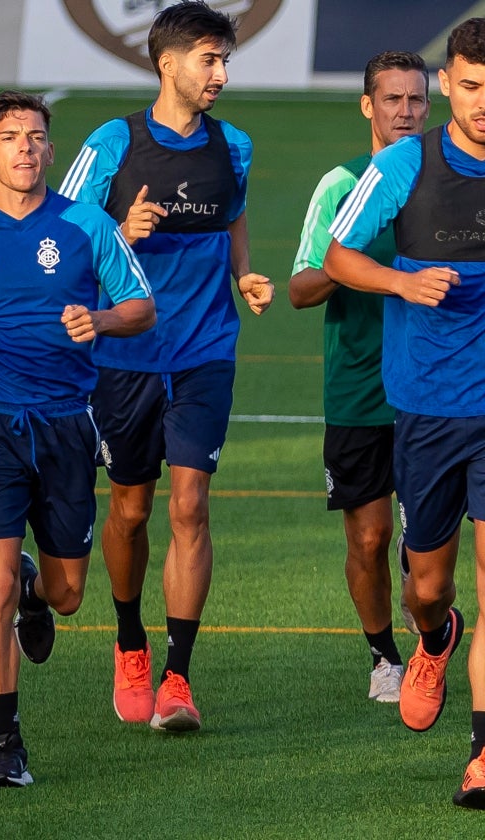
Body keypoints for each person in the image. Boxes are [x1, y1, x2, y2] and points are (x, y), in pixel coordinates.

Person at [0, 90, 155, 787]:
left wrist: (101, 323)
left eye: (35, 136)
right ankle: (6, 743)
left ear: (51, 151)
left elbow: (141, 308)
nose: (24, 147)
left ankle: (36, 586)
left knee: (67, 594)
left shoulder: (88, 226)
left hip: (65, 426)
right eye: (10, 136)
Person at [58, 0, 273, 731]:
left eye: (224, 60)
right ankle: (129, 643)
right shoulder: (111, 144)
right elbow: (55, 240)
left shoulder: (234, 145)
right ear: (167, 63)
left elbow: (233, 212)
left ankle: (178, 678)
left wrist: (244, 272)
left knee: (190, 506)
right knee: (130, 508)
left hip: (207, 350)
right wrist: (120, 230)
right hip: (125, 356)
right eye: (208, 60)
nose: (219, 74)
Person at [324, 17, 485, 810]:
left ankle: (483, 755)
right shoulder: (400, 166)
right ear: (448, 86)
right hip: (424, 407)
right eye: (472, 87)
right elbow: (334, 256)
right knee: (428, 584)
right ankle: (433, 637)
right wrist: (402, 284)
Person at [288, 51, 430, 704]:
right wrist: (366, 267)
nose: (405, 111)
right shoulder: (340, 185)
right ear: (368, 106)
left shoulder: (449, 181)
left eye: (416, 100)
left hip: (437, 388)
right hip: (359, 389)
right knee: (369, 538)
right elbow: (301, 287)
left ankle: (429, 629)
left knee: (430, 557)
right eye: (392, 100)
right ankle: (383, 659)